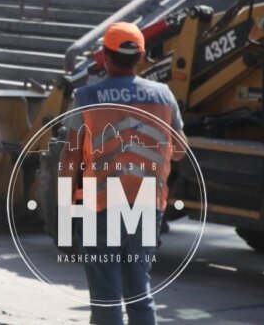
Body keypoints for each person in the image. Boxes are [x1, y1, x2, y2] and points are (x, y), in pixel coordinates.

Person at [62, 22, 186, 325]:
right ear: (141, 57)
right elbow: (180, 150)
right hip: (147, 202)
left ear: (104, 57)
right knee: (139, 291)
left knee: (106, 297)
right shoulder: (164, 96)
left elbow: (70, 158)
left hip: (100, 204)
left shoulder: (87, 96)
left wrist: (66, 210)